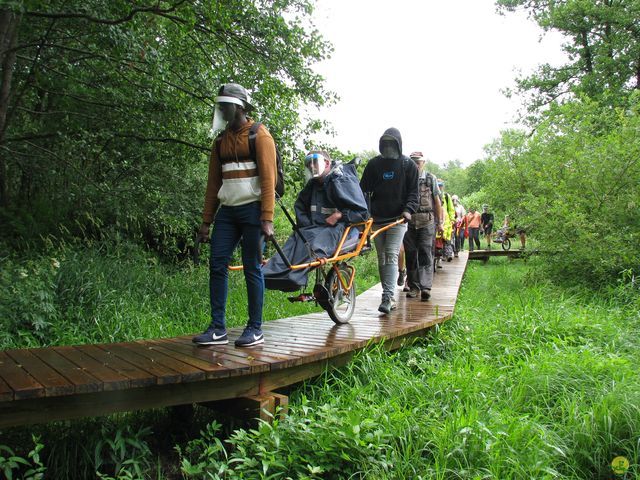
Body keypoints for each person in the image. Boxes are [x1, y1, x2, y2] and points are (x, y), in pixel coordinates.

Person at [194, 83, 277, 348]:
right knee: (217, 264)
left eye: (224, 105)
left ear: (238, 106)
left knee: (252, 267)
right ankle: (218, 328)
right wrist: (206, 221)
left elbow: (268, 180)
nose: (221, 110)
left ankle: (255, 328)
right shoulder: (220, 141)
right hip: (227, 213)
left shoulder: (259, 135)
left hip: (253, 211)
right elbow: (212, 184)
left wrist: (267, 218)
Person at [262, 150, 369, 290]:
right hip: (316, 229)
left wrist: (339, 216)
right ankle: (268, 271)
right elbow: (299, 206)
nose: (311, 166)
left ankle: (292, 278)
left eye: (314, 162)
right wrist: (306, 226)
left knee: (313, 244)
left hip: (342, 229)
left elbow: (362, 212)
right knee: (296, 238)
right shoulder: (312, 184)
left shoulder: (341, 180)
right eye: (308, 164)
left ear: (326, 163)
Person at [360, 127, 419, 314]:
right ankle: (388, 294)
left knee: (391, 254)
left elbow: (413, 193)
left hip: (398, 219)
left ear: (398, 144)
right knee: (381, 257)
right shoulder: (373, 165)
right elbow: (362, 191)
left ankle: (388, 297)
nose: (387, 146)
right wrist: (365, 213)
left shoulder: (408, 165)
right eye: (384, 143)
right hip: (376, 219)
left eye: (390, 143)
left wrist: (408, 210)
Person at [403, 152, 443, 301]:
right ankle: (414, 287)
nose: (415, 164)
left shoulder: (430, 178)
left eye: (418, 162)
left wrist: (440, 223)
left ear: (423, 163)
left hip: (427, 221)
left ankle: (426, 287)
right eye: (412, 161)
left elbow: (437, 202)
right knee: (411, 254)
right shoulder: (405, 179)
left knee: (426, 253)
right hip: (409, 223)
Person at [438, 179, 456, 262]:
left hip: (447, 221)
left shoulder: (446, 196)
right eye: (438, 185)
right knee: (438, 239)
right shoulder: (432, 194)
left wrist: (452, 219)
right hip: (437, 219)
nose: (439, 187)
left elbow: (451, 209)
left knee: (447, 238)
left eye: (441, 185)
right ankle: (439, 256)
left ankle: (448, 254)